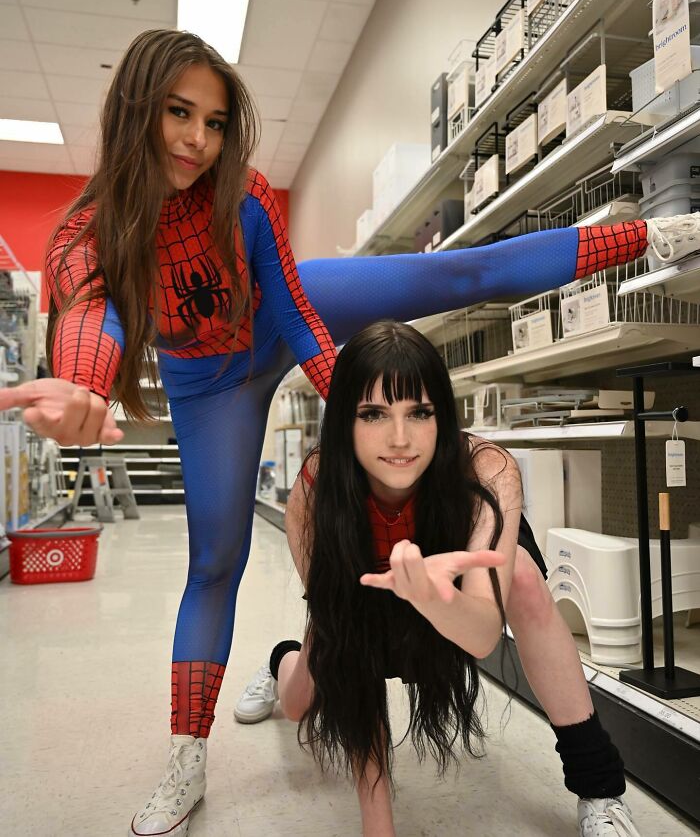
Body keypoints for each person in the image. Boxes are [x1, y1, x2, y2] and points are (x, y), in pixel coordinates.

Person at [0, 27, 689, 836]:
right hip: (205, 381)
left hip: (277, 318)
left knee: (453, 272)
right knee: (214, 560)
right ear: (136, 110)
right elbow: (91, 314)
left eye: (215, 121)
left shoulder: (245, 196)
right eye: (178, 113)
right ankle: (187, 760)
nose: (197, 139)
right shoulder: (89, 230)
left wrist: (370, 421)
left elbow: (295, 319)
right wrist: (84, 384)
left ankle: (652, 234)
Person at [235, 322, 642, 837]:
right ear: (344, 421)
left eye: (419, 413)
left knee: (519, 574)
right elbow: (353, 648)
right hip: (357, 597)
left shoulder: (487, 470)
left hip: (454, 580)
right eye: (373, 414)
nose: (400, 439)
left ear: (442, 416)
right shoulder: (317, 490)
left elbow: (480, 637)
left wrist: (429, 595)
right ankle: (280, 661)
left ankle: (600, 790)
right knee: (297, 705)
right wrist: (377, 827)